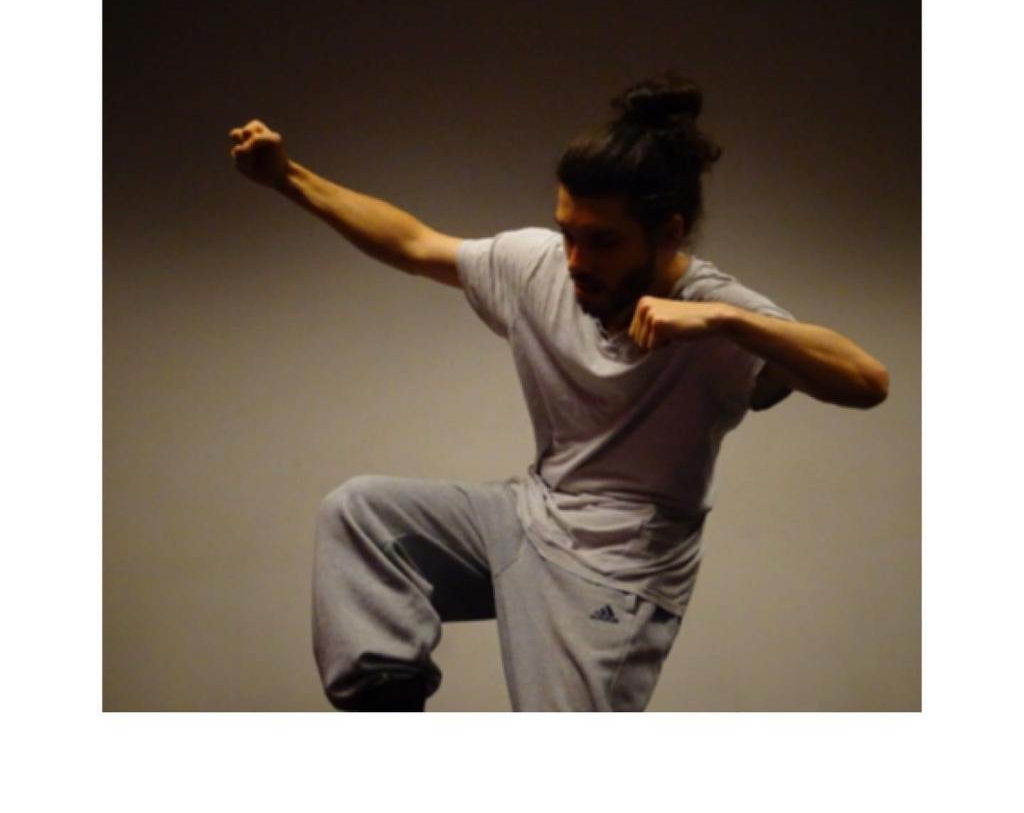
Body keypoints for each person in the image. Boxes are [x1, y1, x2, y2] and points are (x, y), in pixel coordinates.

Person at [228, 74, 890, 712]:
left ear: (668, 234)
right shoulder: (540, 265)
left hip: (619, 566)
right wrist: (288, 177)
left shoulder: (717, 314)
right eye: (568, 232)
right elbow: (414, 243)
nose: (575, 261)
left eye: (601, 242)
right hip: (530, 515)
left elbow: (867, 382)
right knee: (362, 515)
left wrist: (726, 321)